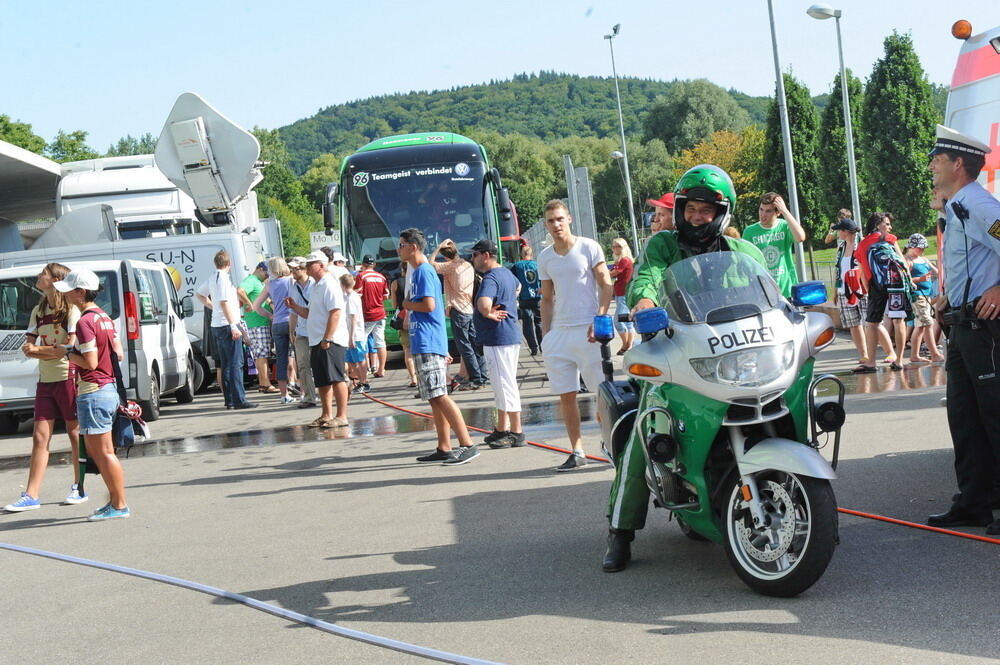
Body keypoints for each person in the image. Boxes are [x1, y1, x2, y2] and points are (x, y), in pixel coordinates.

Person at [604, 164, 768, 572]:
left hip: (735, 357)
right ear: (680, 209)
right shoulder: (663, 244)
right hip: (674, 354)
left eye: (706, 210)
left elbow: (771, 292)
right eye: (692, 208)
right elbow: (647, 277)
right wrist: (642, 301)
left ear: (721, 214)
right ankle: (620, 531)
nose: (698, 217)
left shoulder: (743, 252)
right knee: (648, 431)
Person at [925, 125, 1000, 535]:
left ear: (958, 164)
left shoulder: (977, 204)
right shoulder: (957, 206)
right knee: (965, 417)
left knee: (994, 416)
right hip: (961, 325)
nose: (932, 164)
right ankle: (973, 502)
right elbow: (971, 265)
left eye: (938, 158)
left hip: (984, 329)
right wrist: (947, 300)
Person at [537, 199, 614, 471]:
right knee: (566, 395)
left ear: (569, 219)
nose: (556, 225)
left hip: (588, 330)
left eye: (560, 219)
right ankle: (577, 450)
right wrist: (546, 336)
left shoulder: (589, 246)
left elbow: (606, 284)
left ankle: (613, 445)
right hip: (559, 334)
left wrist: (600, 317)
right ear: (546, 224)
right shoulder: (545, 257)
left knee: (603, 394)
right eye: (550, 221)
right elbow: (546, 298)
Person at [3, 263, 85, 512]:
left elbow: (67, 350)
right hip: (45, 381)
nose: (39, 277)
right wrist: (43, 351)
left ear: (56, 280)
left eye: (43, 274)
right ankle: (31, 494)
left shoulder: (71, 310)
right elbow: (28, 346)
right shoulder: (39, 309)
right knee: (39, 437)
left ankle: (79, 486)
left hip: (68, 377)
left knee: (74, 434)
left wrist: (39, 351)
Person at [399, 228, 479, 465]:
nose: (398, 249)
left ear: (413, 247)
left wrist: (406, 304)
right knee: (434, 396)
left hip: (428, 339)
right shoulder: (419, 271)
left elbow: (429, 305)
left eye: (401, 244)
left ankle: (467, 444)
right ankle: (444, 446)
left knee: (441, 395)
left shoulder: (423, 271)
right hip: (423, 338)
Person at [56, 269, 130, 521]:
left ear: (81, 292)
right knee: (105, 452)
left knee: (103, 453)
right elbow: (117, 353)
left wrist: (65, 352)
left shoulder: (85, 321)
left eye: (70, 289)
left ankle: (119, 505)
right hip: (107, 388)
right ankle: (115, 502)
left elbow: (89, 362)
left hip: (94, 390)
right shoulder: (104, 316)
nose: (66, 294)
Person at [470, 239, 525, 449]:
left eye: (475, 255)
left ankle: (516, 432)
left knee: (504, 385)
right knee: (503, 383)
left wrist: (488, 312)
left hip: (497, 338)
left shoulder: (490, 278)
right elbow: (518, 288)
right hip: (509, 335)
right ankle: (502, 427)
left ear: (485, 255)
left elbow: (483, 303)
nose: (472, 259)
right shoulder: (507, 274)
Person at [198, 250, 256, 410]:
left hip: (218, 324)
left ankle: (230, 399)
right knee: (235, 363)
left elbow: (199, 294)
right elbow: (224, 302)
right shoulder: (222, 279)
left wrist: (212, 306)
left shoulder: (213, 277)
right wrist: (233, 325)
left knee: (226, 364)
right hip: (226, 325)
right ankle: (239, 400)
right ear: (229, 264)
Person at [299, 250, 349, 428]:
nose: (307, 267)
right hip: (318, 339)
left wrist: (328, 337)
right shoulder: (316, 286)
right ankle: (326, 414)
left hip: (330, 339)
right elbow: (310, 313)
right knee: (322, 380)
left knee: (336, 378)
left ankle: (342, 416)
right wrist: (294, 306)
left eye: (310, 264)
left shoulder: (329, 284)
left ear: (321, 265)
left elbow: (335, 312)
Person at [430, 238, 488, 390]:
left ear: (445, 255)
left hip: (458, 309)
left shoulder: (450, 266)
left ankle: (475, 378)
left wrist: (437, 248)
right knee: (475, 344)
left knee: (464, 346)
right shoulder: (467, 264)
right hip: (470, 309)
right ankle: (483, 375)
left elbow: (430, 264)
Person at [854, 212, 907, 371]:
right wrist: (909, 281)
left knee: (872, 323)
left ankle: (871, 362)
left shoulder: (863, 245)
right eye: (887, 224)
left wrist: (868, 289)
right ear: (878, 225)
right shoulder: (891, 240)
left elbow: (863, 271)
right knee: (899, 321)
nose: (890, 227)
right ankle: (899, 360)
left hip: (876, 285)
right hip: (896, 283)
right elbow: (902, 262)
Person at [742, 192, 807, 298]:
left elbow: (800, 237)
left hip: (786, 291)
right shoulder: (749, 232)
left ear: (778, 213)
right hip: (762, 292)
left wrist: (785, 211)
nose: (763, 214)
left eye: (768, 211)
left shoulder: (784, 226)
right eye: (761, 209)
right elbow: (744, 261)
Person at [252, 257, 298, 404]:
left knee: (281, 359)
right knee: (300, 357)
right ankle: (304, 391)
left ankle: (284, 395)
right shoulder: (291, 281)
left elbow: (256, 306)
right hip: (292, 321)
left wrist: (271, 316)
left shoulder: (269, 284)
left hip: (277, 323)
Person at [830, 218, 871, 370]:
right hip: (844, 290)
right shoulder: (841, 247)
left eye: (839, 230)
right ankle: (863, 354)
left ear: (846, 232)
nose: (837, 233)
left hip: (861, 289)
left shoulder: (861, 244)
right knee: (853, 324)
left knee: (870, 322)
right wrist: (835, 290)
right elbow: (837, 270)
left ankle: (880, 351)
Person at [904, 233, 945, 364]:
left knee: (920, 325)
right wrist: (920, 279)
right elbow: (906, 280)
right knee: (927, 323)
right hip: (917, 295)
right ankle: (934, 353)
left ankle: (915, 355)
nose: (922, 250)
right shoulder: (908, 261)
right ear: (911, 246)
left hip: (926, 295)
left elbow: (937, 272)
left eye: (923, 248)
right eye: (919, 248)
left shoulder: (923, 259)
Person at [239, 261, 277, 394]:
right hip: (258, 322)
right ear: (260, 269)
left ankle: (263, 383)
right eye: (266, 272)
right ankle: (266, 383)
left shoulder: (257, 281)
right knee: (262, 355)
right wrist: (250, 304)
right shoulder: (252, 280)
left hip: (258, 322)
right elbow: (240, 290)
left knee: (260, 354)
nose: (267, 276)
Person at [285, 257, 318, 409]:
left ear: (304, 269)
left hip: (317, 329)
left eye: (296, 269)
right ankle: (310, 397)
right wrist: (292, 330)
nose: (293, 271)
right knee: (303, 365)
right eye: (291, 269)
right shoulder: (293, 286)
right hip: (302, 330)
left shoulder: (315, 284)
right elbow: (293, 311)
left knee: (321, 364)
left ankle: (343, 385)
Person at [355, 255, 389, 378]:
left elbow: (356, 294)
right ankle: (381, 369)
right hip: (380, 313)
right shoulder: (381, 277)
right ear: (374, 264)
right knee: (380, 342)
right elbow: (386, 296)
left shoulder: (361, 276)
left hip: (366, 315)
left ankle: (366, 369)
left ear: (363, 264)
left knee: (362, 341)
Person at [510, 245, 543, 356]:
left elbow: (513, 281)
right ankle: (543, 346)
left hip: (524, 298)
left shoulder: (516, 266)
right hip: (537, 297)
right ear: (531, 254)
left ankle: (533, 348)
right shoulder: (537, 265)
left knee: (527, 324)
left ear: (521, 254)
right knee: (539, 323)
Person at [390, 263, 418, 387]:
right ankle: (421, 376)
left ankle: (413, 378)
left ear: (402, 269)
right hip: (418, 316)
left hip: (403, 317)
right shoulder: (417, 280)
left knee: (407, 350)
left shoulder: (396, 283)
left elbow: (394, 305)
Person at [341, 273, 369, 393]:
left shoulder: (352, 297)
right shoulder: (347, 296)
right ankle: (358, 380)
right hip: (348, 333)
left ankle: (364, 382)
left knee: (359, 359)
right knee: (351, 360)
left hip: (355, 334)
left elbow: (353, 318)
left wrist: (351, 337)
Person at [609, 238, 636, 355]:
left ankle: (626, 345)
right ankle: (628, 345)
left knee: (618, 321)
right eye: (614, 246)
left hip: (623, 294)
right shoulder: (620, 261)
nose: (615, 249)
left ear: (623, 247)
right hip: (621, 293)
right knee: (627, 320)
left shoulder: (625, 260)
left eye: (618, 246)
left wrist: (598, 273)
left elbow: (613, 274)